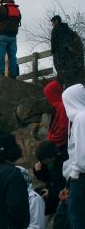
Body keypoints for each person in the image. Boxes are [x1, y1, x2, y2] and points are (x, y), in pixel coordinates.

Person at [61, 83, 85, 228]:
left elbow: (81, 154)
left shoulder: (81, 118)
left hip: (81, 177)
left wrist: (74, 175)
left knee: (77, 221)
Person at [0, 0, 21, 78]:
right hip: (13, 36)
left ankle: (0, 72)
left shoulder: (1, 7)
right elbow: (19, 19)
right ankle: (13, 74)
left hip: (2, 35)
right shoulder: (17, 9)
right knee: (13, 56)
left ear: (2, 1)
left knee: (1, 54)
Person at [33, 141, 67, 216]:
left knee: (36, 206)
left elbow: (66, 186)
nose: (42, 162)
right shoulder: (50, 162)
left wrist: (51, 193)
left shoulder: (63, 164)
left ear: (48, 158)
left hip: (58, 197)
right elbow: (45, 178)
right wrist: (38, 171)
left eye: (43, 160)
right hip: (51, 190)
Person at [50, 15, 85, 88]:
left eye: (53, 22)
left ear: (57, 21)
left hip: (65, 56)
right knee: (65, 75)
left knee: (67, 75)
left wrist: (67, 48)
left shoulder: (61, 29)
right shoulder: (60, 30)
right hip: (64, 57)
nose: (52, 24)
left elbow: (61, 43)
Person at [43, 81, 69, 151]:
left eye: (48, 95)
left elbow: (64, 128)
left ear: (53, 93)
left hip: (61, 144)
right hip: (58, 142)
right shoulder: (58, 106)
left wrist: (51, 139)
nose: (47, 98)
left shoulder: (62, 106)